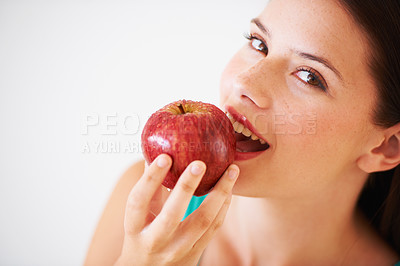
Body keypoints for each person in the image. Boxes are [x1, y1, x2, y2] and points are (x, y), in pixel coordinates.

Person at [84, 0, 400, 265]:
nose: (245, 83)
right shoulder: (148, 203)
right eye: (258, 43)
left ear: (386, 148)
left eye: (308, 76)